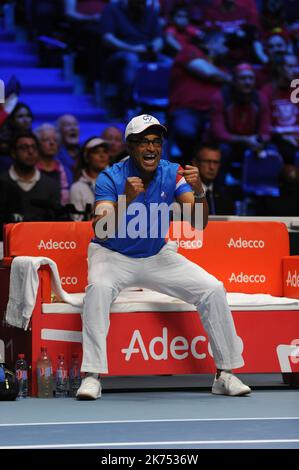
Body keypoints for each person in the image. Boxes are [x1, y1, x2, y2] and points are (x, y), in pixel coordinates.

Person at [76, 113, 251, 400]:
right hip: (112, 254)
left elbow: (198, 222)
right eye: (144, 142)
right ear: (130, 147)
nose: (151, 148)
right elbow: (102, 231)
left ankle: (226, 373)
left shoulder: (172, 173)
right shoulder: (111, 177)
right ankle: (92, 375)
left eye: (156, 142)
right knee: (98, 288)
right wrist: (127, 200)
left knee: (212, 289)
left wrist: (199, 192)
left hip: (156, 254)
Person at [168, 30, 231, 165]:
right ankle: (188, 160)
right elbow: (207, 72)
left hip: (212, 113)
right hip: (187, 109)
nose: (227, 49)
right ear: (211, 44)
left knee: (223, 143)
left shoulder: (222, 68)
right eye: (224, 44)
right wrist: (230, 78)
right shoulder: (190, 51)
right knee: (186, 131)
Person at [210, 63, 271, 186]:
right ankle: (220, 191)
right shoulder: (220, 98)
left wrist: (260, 140)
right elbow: (219, 133)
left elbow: (266, 130)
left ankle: (261, 191)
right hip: (228, 143)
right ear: (234, 80)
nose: (247, 82)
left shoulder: (260, 98)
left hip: (252, 142)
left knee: (271, 150)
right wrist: (245, 140)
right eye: (243, 78)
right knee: (222, 150)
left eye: (251, 78)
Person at [0, 131, 60, 226]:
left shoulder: (51, 185)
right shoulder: (2, 182)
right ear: (13, 153)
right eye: (24, 147)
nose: (30, 152)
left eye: (34, 147)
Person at [70, 137, 109, 220]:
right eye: (96, 152)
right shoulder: (77, 187)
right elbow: (77, 221)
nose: (102, 155)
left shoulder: (118, 182)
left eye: (105, 152)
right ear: (86, 157)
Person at [192, 143, 235, 215]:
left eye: (216, 162)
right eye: (207, 161)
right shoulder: (184, 193)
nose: (212, 167)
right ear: (195, 163)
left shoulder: (226, 195)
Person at [34, 123, 69, 206]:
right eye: (46, 140)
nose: (52, 143)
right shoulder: (30, 170)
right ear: (37, 144)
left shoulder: (66, 170)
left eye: (55, 140)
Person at [56, 114, 81, 187]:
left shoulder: (86, 153)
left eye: (75, 125)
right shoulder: (55, 154)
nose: (73, 128)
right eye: (67, 125)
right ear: (59, 131)